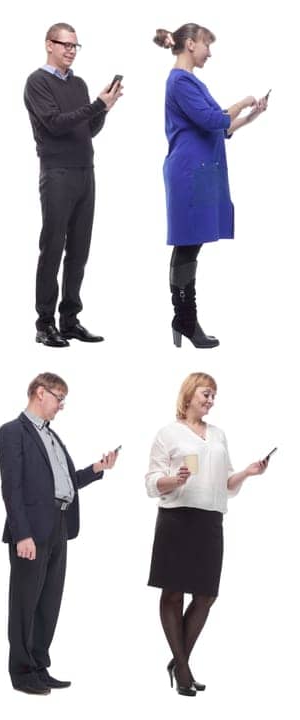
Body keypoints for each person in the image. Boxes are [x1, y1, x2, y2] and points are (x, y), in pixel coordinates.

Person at [144, 372, 268, 695]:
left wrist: (248, 473)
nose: (211, 401)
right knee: (173, 594)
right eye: (206, 394)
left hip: (210, 522)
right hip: (177, 519)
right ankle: (183, 668)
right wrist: (176, 480)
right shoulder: (168, 434)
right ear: (189, 394)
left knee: (206, 595)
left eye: (214, 396)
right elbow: (151, 481)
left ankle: (178, 661)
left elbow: (226, 484)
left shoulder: (218, 435)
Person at [0, 372, 117, 694]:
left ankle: (39, 665)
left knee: (49, 601)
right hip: (32, 530)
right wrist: (22, 535)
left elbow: (63, 483)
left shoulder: (52, 436)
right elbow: (12, 487)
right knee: (25, 601)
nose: (61, 406)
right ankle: (21, 673)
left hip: (60, 524)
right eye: (58, 398)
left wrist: (96, 470)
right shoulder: (12, 432)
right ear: (39, 393)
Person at [155, 23, 266, 349]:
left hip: (200, 171)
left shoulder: (191, 82)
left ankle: (185, 319)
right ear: (190, 44)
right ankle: (186, 320)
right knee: (188, 244)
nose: (210, 51)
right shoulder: (179, 81)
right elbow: (213, 120)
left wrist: (249, 117)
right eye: (206, 45)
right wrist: (242, 101)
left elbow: (218, 125)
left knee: (193, 244)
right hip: (189, 172)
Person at [22, 23, 120, 348]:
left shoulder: (78, 83)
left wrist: (103, 109)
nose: (71, 51)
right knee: (52, 247)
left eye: (76, 46)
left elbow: (86, 129)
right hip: (57, 172)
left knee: (79, 249)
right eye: (65, 44)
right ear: (49, 44)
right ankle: (44, 323)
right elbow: (55, 124)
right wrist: (95, 105)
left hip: (84, 172)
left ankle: (70, 320)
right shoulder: (37, 82)